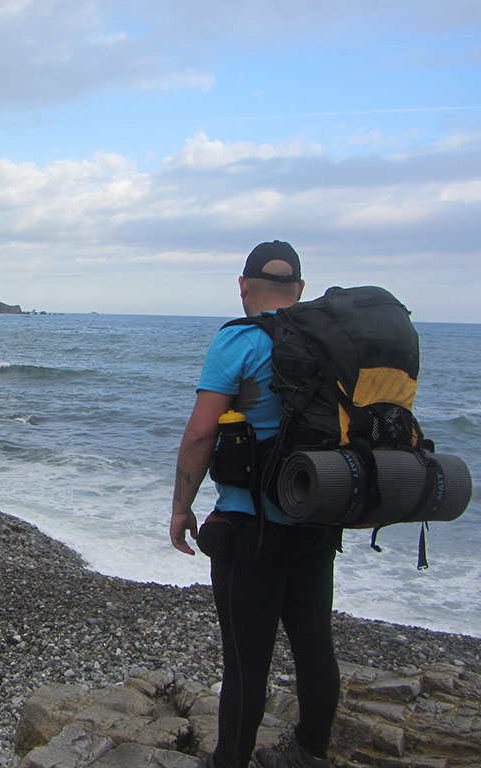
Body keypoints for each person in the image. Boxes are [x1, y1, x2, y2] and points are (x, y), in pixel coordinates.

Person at [170, 241, 338, 768]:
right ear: (301, 291)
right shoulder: (330, 344)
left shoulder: (239, 341)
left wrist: (181, 508)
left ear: (243, 286)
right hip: (317, 515)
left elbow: (201, 435)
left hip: (250, 528)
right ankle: (310, 753)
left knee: (246, 659)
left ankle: (231, 761)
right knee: (314, 642)